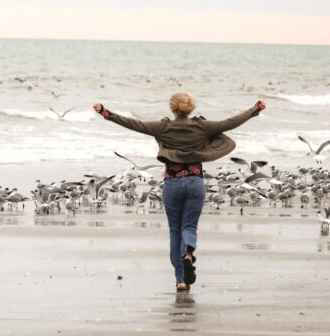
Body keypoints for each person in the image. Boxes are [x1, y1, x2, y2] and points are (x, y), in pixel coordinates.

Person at [93, 93, 265, 292]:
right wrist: (255, 109)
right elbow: (231, 122)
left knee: (175, 231)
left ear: (172, 109)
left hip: (172, 183)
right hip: (195, 183)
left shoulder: (163, 127)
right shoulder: (202, 126)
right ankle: (189, 253)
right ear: (191, 108)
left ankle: (180, 281)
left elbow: (134, 124)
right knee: (189, 227)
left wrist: (106, 113)